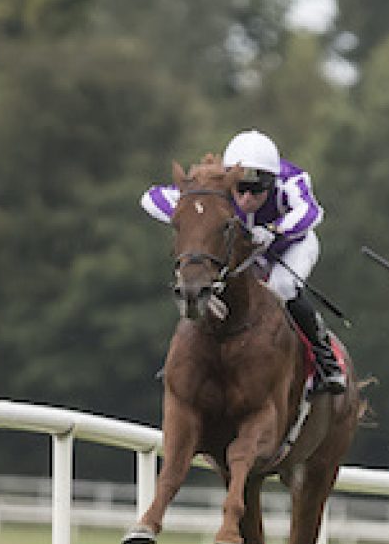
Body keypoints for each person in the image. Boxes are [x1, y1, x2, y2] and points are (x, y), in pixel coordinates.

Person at [141, 129, 345, 394]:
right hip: (246, 253)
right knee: (209, 285)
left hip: (290, 247)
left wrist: (274, 231)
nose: (247, 198)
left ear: (272, 182)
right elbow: (151, 198)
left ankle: (327, 361)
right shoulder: (218, 188)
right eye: (241, 188)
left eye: (257, 188)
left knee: (282, 288)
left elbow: (311, 212)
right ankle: (189, 358)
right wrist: (190, 214)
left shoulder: (292, 181)